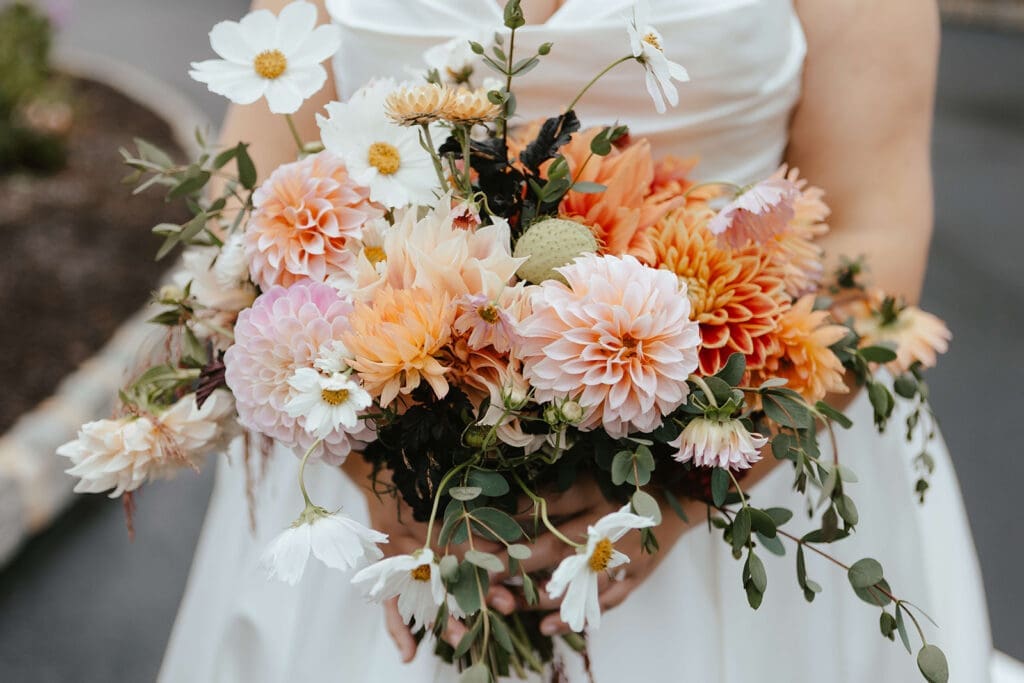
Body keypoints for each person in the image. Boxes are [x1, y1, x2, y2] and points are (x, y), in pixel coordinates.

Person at [160, 1, 1010, 681]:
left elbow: (873, 237)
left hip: (730, 448)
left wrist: (679, 498)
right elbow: (244, 213)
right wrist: (385, 478)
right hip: (379, 448)